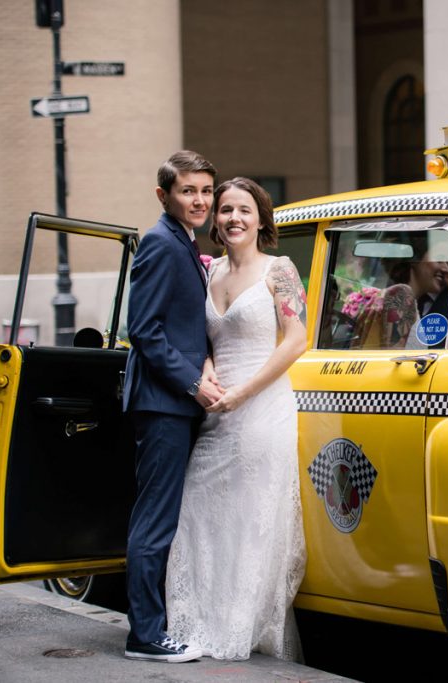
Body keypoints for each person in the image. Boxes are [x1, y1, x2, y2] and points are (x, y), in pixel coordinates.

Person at [165, 177, 308, 661]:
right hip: (215, 408)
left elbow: (296, 340)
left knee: (251, 521)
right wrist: (206, 371)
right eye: (225, 210)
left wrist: (243, 393)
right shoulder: (210, 271)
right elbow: (203, 337)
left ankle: (237, 633)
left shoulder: (280, 270)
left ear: (261, 218)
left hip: (262, 407)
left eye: (244, 210)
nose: (233, 218)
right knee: (198, 515)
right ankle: (196, 623)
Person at [123, 150, 224, 663]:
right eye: (189, 191)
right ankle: (145, 634)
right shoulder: (161, 244)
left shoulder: (185, 243)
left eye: (206, 191)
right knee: (155, 520)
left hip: (176, 399)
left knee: (163, 517)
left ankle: (155, 624)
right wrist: (193, 384)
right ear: (165, 196)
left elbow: (181, 324)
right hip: (164, 403)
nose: (200, 201)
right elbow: (143, 329)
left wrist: (204, 359)